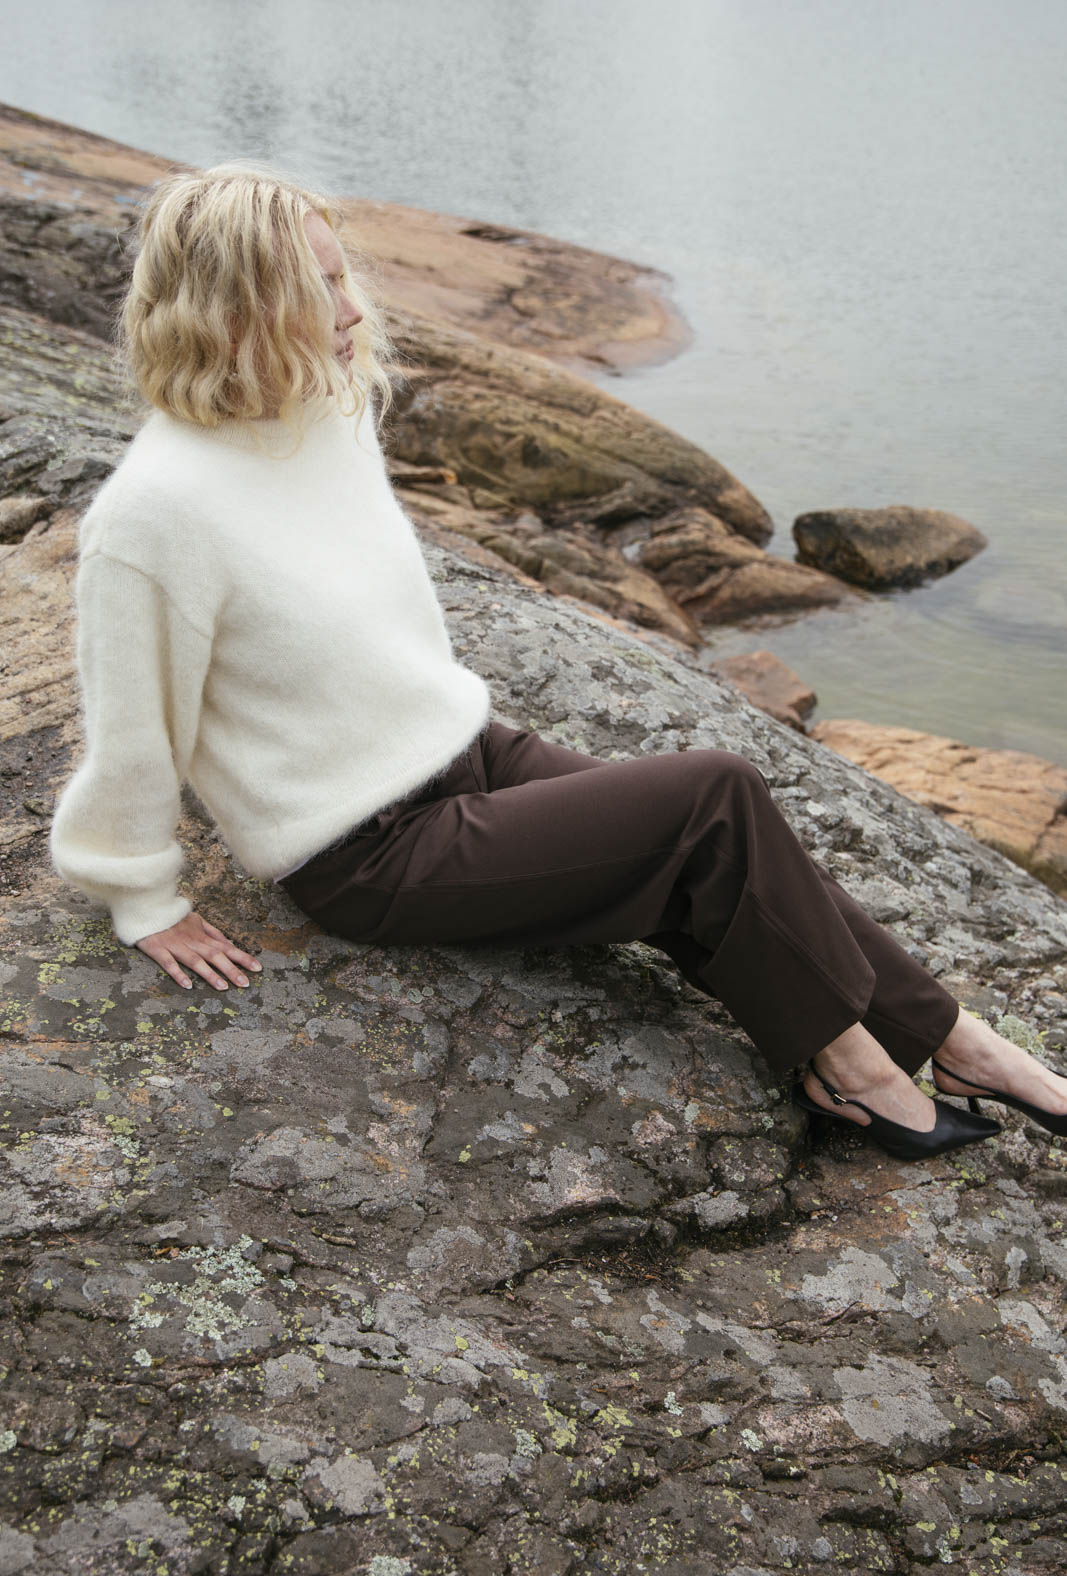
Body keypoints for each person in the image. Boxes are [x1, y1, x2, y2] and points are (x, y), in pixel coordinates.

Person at [49, 165, 1067, 1164]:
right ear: (233, 309)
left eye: (340, 274)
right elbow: (133, 725)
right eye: (315, 288)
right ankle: (854, 1066)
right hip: (367, 851)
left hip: (461, 751)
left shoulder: (319, 411)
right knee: (710, 796)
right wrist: (141, 897)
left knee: (727, 851)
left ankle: (957, 1044)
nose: (351, 307)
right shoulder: (156, 513)